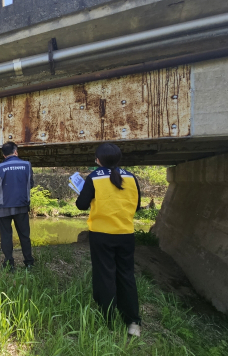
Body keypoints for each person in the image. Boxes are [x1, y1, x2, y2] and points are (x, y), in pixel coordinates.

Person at [75, 143, 142, 337]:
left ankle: (107, 319)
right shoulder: (131, 177)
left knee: (104, 275)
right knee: (126, 276)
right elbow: (136, 206)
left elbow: (81, 205)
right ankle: (133, 322)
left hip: (101, 235)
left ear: (98, 160)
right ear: (118, 159)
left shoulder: (94, 178)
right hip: (126, 234)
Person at [0, 141, 35, 271]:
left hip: (3, 207)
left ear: (3, 155)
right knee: (24, 235)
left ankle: (9, 264)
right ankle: (29, 262)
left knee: (6, 235)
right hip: (21, 205)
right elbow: (30, 183)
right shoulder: (27, 165)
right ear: (16, 151)